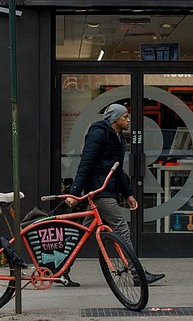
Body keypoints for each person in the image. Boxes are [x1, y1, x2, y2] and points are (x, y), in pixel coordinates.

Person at [65, 103, 165, 285]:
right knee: (121, 227)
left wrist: (128, 194)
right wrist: (74, 192)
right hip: (99, 190)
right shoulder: (98, 134)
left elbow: (118, 170)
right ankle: (137, 274)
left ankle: (61, 268)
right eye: (125, 117)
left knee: (83, 233)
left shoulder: (118, 136)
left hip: (106, 189)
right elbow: (85, 163)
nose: (128, 120)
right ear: (115, 118)